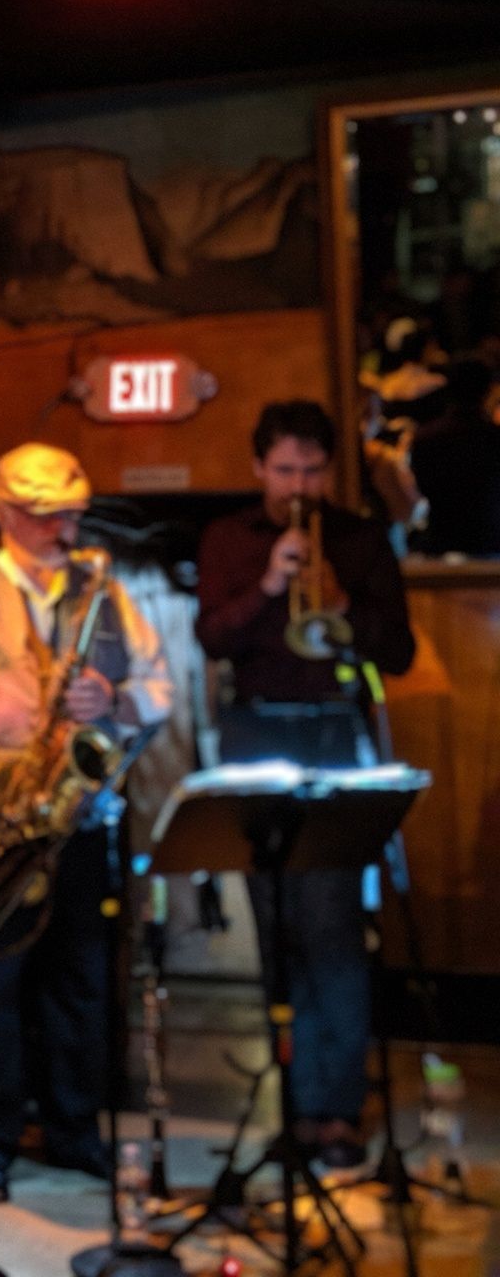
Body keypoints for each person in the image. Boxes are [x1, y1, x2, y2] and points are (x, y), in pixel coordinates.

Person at [0, 442, 171, 1199]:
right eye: (45, 516)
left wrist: (113, 698)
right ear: (3, 513)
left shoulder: (103, 591)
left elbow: (161, 688)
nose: (62, 531)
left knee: (81, 981)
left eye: (70, 516)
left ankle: (75, 1130)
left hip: (81, 817)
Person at [196, 399, 416, 1168]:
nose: (298, 486)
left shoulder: (359, 539)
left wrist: (344, 601)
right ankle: (295, 1107)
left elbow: (399, 652)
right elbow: (211, 638)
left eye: (313, 471)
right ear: (259, 467)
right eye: (285, 470)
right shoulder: (227, 540)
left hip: (332, 732)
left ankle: (337, 1112)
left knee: (332, 927)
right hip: (254, 734)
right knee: (276, 927)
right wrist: (269, 584)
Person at [408, 356, 500, 556]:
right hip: (490, 543)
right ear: (486, 392)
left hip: (439, 538)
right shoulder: (493, 439)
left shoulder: (425, 437)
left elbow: (422, 486)